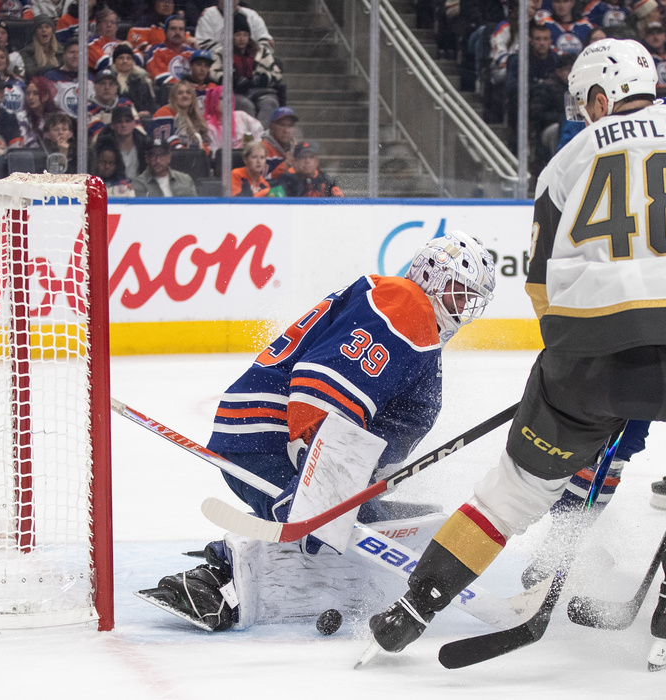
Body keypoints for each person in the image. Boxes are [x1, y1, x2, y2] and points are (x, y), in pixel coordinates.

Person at [365, 38, 666, 670]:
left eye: (582, 104)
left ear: (600, 98)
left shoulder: (563, 164)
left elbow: (541, 289)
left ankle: (411, 610)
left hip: (583, 355)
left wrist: (574, 367)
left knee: (510, 492)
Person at [135, 231, 496, 632]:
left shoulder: (414, 321)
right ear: (431, 277)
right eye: (460, 291)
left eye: (471, 297)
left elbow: (386, 418)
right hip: (270, 438)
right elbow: (322, 384)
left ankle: (265, 564)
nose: (465, 305)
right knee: (337, 530)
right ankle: (214, 580)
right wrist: (322, 481)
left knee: (376, 524)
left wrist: (358, 478)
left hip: (276, 437)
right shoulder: (406, 304)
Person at [207, 11, 281, 124]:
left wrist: (261, 79)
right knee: (246, 105)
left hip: (260, 91)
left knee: (270, 102)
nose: (242, 39)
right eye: (238, 35)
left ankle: (261, 133)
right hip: (234, 93)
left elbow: (276, 73)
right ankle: (248, 134)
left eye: (245, 35)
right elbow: (213, 73)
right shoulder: (221, 53)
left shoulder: (261, 51)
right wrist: (233, 80)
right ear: (231, 36)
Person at [268, 141, 344, 198]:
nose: (307, 161)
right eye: (303, 157)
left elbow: (339, 203)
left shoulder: (327, 181)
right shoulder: (286, 180)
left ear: (317, 161)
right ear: (295, 161)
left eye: (311, 157)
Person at [144, 13, 195, 96]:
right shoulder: (156, 51)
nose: (177, 32)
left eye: (181, 29)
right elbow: (159, 77)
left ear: (185, 33)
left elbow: (200, 77)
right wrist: (187, 86)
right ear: (166, 32)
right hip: (167, 94)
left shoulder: (191, 52)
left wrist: (198, 47)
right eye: (173, 29)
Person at [153, 78, 209, 151]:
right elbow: (167, 141)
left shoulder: (196, 117)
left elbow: (204, 141)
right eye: (180, 93)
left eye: (188, 92)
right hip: (171, 155)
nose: (185, 96)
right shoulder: (163, 113)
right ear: (173, 97)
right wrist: (186, 152)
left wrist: (204, 150)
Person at [195, 0, 273, 52]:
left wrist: (249, 53)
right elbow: (203, 45)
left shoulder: (251, 15)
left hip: (251, 63)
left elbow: (266, 42)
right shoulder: (208, 15)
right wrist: (232, 53)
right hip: (217, 64)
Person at [202, 84, 262, 152]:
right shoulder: (207, 126)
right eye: (221, 98)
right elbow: (215, 152)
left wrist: (252, 145)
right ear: (213, 101)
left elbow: (258, 131)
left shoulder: (241, 116)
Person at [43, 37, 92, 118]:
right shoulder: (51, 77)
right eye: (72, 52)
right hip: (59, 121)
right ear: (64, 55)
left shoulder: (89, 77)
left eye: (79, 53)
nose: (75, 56)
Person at [133, 136, 198, 197]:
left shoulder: (185, 180)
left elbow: (195, 204)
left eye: (162, 155)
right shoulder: (139, 183)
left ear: (169, 157)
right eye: (153, 156)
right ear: (147, 158)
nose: (158, 160)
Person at [100, 102, 149, 178]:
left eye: (128, 121)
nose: (124, 125)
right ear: (112, 125)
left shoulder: (144, 144)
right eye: (119, 121)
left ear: (134, 123)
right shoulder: (103, 147)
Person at [88, 68, 135, 140]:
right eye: (102, 83)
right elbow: (98, 136)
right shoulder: (88, 107)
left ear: (116, 88)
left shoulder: (125, 104)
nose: (107, 87)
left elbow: (138, 129)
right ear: (95, 86)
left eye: (111, 84)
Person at [111, 43, 155, 120]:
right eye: (121, 58)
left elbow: (151, 105)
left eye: (128, 58)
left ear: (133, 61)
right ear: (115, 61)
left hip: (142, 119)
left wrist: (146, 113)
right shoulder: (110, 79)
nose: (125, 61)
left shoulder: (143, 80)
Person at [16, 75, 59, 147]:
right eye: (28, 93)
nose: (30, 97)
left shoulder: (57, 118)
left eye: (35, 93)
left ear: (46, 96)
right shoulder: (22, 117)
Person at [91, 134, 135, 198]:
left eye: (111, 163)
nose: (107, 166)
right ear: (96, 162)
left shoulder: (124, 186)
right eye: (103, 162)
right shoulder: (89, 185)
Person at [261, 105, 296, 178]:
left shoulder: (297, 147)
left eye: (290, 126)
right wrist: (285, 165)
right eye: (282, 125)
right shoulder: (261, 148)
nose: (286, 130)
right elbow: (260, 181)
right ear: (271, 126)